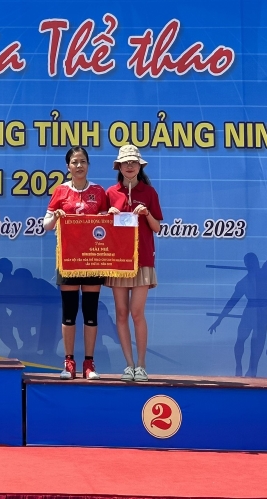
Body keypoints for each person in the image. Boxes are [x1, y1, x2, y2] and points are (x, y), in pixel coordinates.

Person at [42, 146, 110, 380]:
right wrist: (55, 216)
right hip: (69, 260)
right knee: (69, 313)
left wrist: (105, 217)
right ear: (68, 166)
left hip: (92, 258)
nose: (79, 165)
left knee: (91, 312)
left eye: (83, 161)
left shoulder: (99, 192)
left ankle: (89, 363)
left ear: (88, 165)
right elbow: (46, 224)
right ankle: (68, 362)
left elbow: (107, 224)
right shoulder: (61, 191)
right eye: (74, 162)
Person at [105, 145, 164, 382]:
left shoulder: (149, 192)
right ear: (119, 166)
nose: (129, 166)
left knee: (136, 312)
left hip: (142, 260)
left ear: (140, 166)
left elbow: (157, 228)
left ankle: (141, 365)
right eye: (125, 162)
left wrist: (146, 213)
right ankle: (128, 365)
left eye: (133, 162)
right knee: (121, 313)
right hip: (118, 261)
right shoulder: (111, 193)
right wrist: (107, 216)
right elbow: (99, 231)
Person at [209, 217, 267, 377]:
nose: (254, 263)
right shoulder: (244, 282)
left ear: (256, 262)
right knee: (241, 339)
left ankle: (252, 371)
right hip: (251, 311)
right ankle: (239, 366)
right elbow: (231, 303)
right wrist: (219, 320)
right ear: (247, 265)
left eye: (254, 261)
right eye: (250, 262)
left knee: (257, 346)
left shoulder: (265, 272)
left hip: (262, 313)